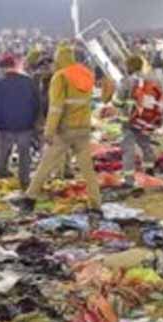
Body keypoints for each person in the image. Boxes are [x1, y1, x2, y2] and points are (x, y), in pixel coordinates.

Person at [20, 44, 100, 212]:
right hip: (83, 128)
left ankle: (30, 198)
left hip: (65, 130)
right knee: (87, 169)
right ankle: (96, 204)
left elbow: (56, 108)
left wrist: (49, 131)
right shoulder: (86, 74)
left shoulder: (60, 76)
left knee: (46, 165)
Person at [0, 54, 41, 190]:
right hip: (25, 125)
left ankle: (1, 178)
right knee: (24, 154)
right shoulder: (28, 81)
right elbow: (36, 102)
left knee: (3, 153)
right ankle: (24, 180)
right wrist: (34, 121)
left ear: (2, 67)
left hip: (5, 126)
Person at [117, 55, 162, 187]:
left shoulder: (127, 81)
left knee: (128, 149)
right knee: (145, 143)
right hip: (145, 119)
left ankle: (129, 179)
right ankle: (150, 169)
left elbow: (118, 101)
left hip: (129, 120)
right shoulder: (152, 79)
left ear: (128, 66)